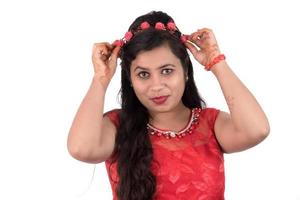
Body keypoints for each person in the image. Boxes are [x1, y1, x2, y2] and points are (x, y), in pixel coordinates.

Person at [67, 11, 270, 200]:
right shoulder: (117, 126)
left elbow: (257, 130)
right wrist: (100, 79)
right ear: (130, 79)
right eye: (143, 74)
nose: (156, 86)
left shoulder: (210, 124)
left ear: (185, 72)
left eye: (166, 71)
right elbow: (81, 149)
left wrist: (216, 63)